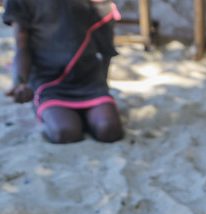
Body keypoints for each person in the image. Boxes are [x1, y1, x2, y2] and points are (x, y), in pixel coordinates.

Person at [3, 0, 124, 143]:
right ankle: (49, 108)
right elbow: (21, 46)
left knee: (109, 130)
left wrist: (102, 86)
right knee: (65, 132)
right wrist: (21, 82)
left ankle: (85, 115)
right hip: (50, 83)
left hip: (89, 81)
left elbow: (106, 48)